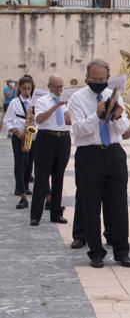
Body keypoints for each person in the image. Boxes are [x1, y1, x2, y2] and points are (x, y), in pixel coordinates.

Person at [67, 59, 130, 269]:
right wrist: (96, 116)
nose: (98, 82)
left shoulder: (113, 95)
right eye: (94, 79)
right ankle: (96, 252)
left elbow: (124, 130)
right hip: (89, 154)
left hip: (114, 152)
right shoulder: (77, 99)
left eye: (102, 79)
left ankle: (122, 252)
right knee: (90, 204)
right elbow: (78, 130)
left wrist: (117, 116)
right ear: (87, 78)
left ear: (108, 78)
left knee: (119, 204)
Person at [30, 75, 71, 226]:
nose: (60, 89)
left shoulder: (68, 101)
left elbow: (68, 120)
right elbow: (39, 119)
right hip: (46, 138)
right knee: (41, 177)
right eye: (56, 86)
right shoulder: (42, 101)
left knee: (58, 177)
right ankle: (35, 215)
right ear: (50, 86)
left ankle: (56, 214)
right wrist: (56, 106)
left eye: (62, 86)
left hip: (63, 139)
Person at [3, 76, 35, 209]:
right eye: (24, 88)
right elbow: (7, 121)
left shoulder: (34, 102)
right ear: (19, 88)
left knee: (29, 163)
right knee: (20, 164)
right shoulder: (14, 103)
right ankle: (21, 194)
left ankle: (25, 187)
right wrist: (17, 132)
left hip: (32, 135)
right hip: (19, 136)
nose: (26, 91)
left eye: (29, 88)